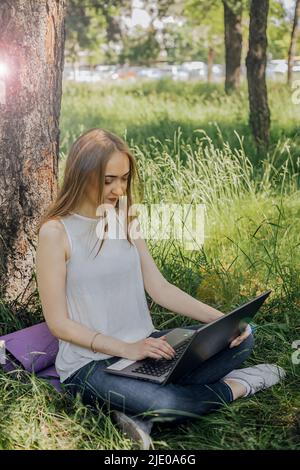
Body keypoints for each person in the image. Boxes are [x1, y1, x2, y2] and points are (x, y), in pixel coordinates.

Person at [35, 128, 286, 450]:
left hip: (149, 347)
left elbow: (160, 288)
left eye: (124, 178)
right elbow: (58, 323)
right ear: (82, 174)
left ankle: (134, 407)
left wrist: (226, 319)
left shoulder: (125, 218)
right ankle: (239, 385)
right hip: (90, 364)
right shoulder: (56, 233)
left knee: (244, 336)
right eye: (108, 179)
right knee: (169, 402)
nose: (118, 189)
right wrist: (126, 349)